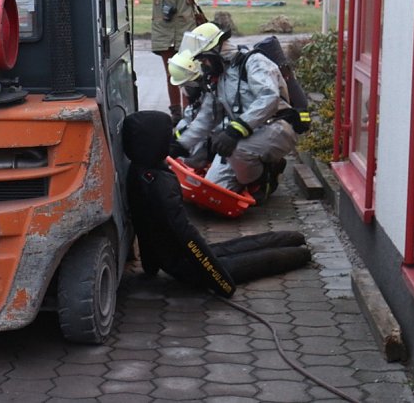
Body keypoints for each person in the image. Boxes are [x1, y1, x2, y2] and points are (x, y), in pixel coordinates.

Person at [123, 111, 311, 292]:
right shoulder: (160, 183)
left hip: (178, 257)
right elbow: (185, 234)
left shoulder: (138, 172)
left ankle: (294, 239)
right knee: (280, 258)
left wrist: (151, 266)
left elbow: (143, 228)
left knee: (242, 245)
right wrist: (220, 280)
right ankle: (303, 252)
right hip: (187, 265)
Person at [171, 22, 299, 204]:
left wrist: (235, 130)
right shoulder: (221, 77)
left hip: (276, 128)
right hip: (245, 134)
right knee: (213, 191)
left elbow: (269, 99)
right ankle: (249, 171)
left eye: (204, 59)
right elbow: (207, 117)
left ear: (216, 51)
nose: (203, 65)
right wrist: (180, 145)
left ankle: (264, 178)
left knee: (238, 150)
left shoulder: (254, 62)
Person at [137, 0, 201, 124]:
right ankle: (176, 113)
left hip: (185, 35)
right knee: (172, 75)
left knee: (187, 75)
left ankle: (189, 111)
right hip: (165, 36)